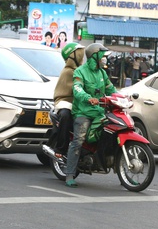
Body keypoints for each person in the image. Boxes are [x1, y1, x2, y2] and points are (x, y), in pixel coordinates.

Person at [65, 43, 117, 187]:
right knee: (78, 140)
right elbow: (77, 89)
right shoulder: (80, 72)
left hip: (99, 111)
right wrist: (88, 98)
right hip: (83, 111)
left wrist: (122, 97)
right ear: (94, 56)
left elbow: (111, 89)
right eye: (103, 56)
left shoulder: (102, 73)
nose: (105, 59)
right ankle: (69, 173)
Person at [50, 42, 85, 158]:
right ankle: (61, 148)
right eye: (79, 54)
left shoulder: (82, 71)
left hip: (78, 103)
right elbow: (76, 90)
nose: (82, 56)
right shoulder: (69, 72)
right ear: (72, 56)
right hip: (65, 101)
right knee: (66, 115)